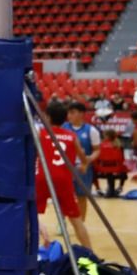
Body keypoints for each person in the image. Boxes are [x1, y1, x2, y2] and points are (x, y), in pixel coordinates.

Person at [34, 101, 91, 249]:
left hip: (43, 176)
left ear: (47, 117)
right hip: (64, 179)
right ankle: (91, 254)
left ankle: (27, 251)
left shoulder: (41, 133)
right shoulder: (72, 136)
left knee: (31, 216)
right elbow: (83, 156)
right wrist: (84, 165)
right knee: (76, 220)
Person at [63, 101, 98, 220]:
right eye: (68, 113)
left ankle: (81, 221)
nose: (69, 115)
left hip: (83, 168)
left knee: (82, 196)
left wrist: (88, 160)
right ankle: (61, 222)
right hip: (65, 167)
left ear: (82, 114)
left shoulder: (91, 130)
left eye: (72, 112)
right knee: (64, 196)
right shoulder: (63, 128)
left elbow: (97, 150)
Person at [93, 128, 128, 198]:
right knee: (124, 170)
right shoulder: (119, 146)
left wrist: (96, 167)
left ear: (107, 136)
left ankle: (98, 189)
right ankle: (120, 187)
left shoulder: (100, 145)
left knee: (91, 170)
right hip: (116, 169)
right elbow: (122, 160)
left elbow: (96, 159)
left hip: (102, 169)